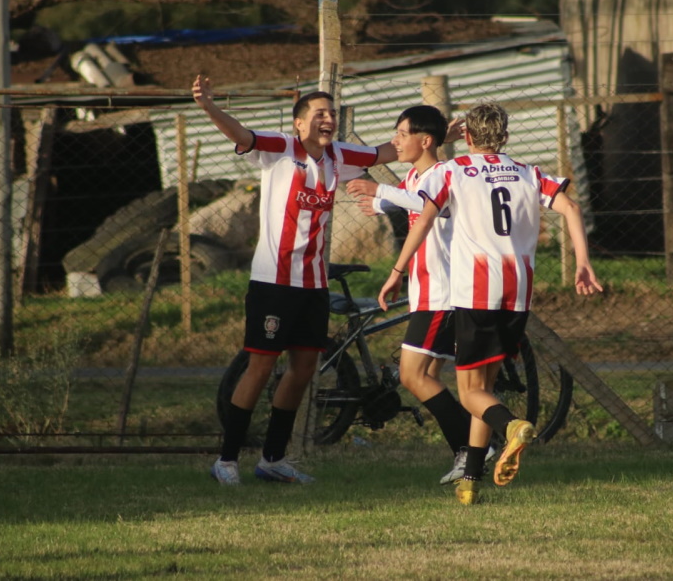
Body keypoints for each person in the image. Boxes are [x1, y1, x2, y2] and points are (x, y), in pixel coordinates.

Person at [377, 103, 603, 505]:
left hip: (476, 292)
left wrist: (397, 270)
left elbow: (426, 219)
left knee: (470, 394)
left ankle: (513, 426)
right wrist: (582, 263)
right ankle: (471, 481)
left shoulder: (453, 170)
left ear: (466, 137)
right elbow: (571, 206)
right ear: (506, 136)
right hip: (518, 293)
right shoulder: (527, 172)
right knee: (486, 385)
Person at [192, 75, 398, 485]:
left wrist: (436, 133)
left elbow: (382, 153)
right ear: (300, 123)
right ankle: (227, 459)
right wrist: (209, 107)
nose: (329, 119)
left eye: (333, 113)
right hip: (274, 281)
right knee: (261, 366)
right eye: (320, 113)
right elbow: (240, 134)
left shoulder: (338, 155)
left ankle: (272, 459)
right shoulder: (280, 148)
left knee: (304, 368)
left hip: (314, 284)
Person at [347, 105, 486, 485]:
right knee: (426, 375)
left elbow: (431, 207)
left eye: (402, 134)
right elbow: (411, 196)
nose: (395, 140)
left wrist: (380, 190)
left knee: (413, 375)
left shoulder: (445, 173)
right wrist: (379, 202)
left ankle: (475, 450)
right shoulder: (415, 174)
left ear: (424, 141)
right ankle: (467, 453)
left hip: (442, 293)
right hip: (426, 291)